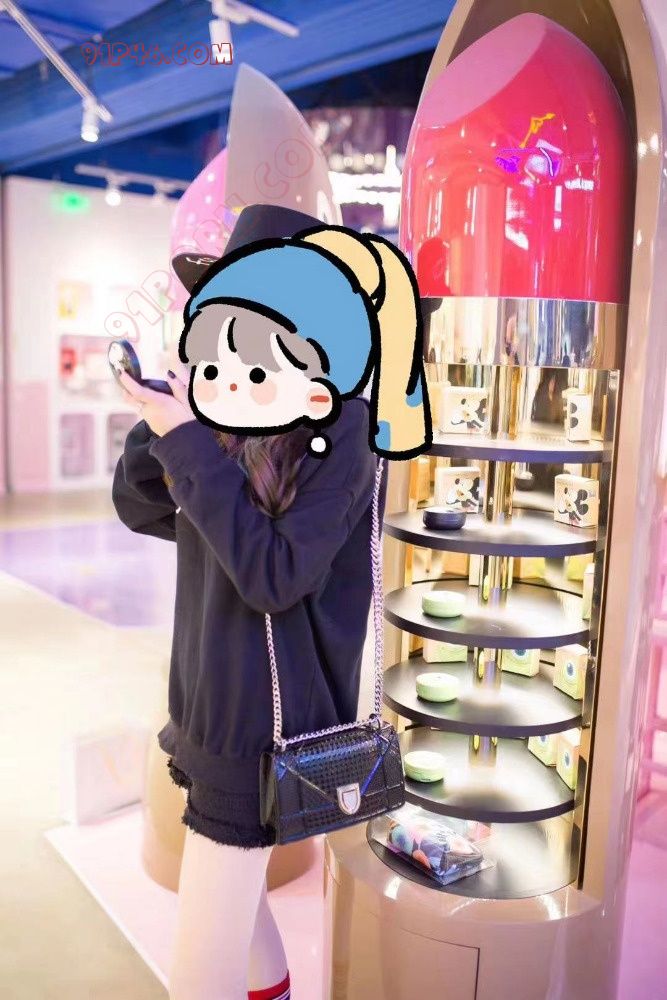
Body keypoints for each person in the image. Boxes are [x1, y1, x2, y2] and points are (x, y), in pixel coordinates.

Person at [112, 204, 426, 1000]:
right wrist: (167, 417)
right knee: (231, 914)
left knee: (202, 964)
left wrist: (188, 440)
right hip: (206, 700)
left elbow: (274, 576)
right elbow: (142, 509)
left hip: (260, 725)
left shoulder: (342, 430)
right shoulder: (229, 411)